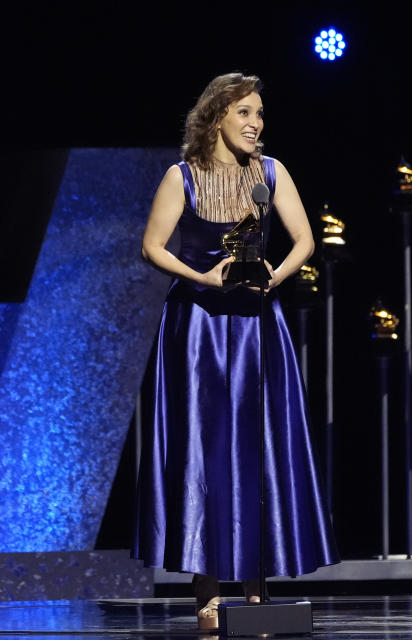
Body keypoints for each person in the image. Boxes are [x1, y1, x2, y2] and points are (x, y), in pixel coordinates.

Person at [134, 72, 338, 631]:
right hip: (198, 330)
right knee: (204, 450)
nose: (255, 123)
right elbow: (152, 246)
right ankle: (207, 593)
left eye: (260, 114)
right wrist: (202, 277)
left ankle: (255, 592)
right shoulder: (182, 176)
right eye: (245, 112)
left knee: (258, 446)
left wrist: (275, 277)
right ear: (217, 116)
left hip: (254, 328)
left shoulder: (270, 174)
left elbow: (305, 241)